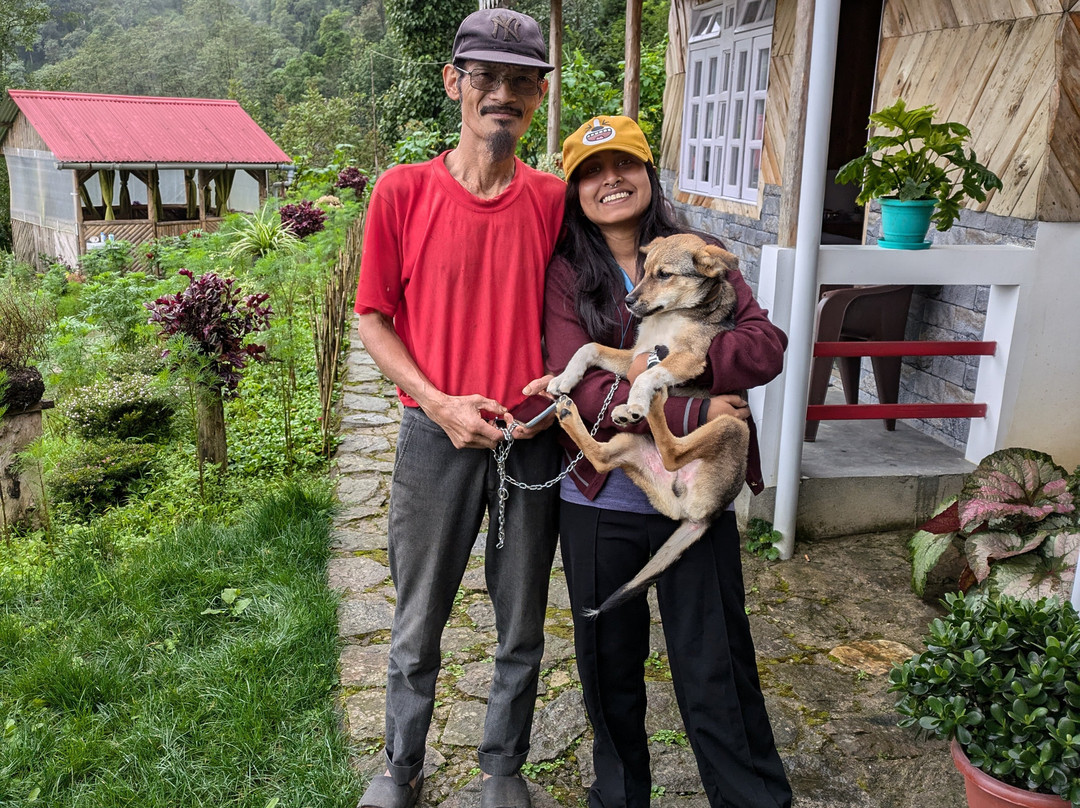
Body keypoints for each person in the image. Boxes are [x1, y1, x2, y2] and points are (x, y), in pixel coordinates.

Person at [529, 116, 793, 808]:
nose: (608, 180)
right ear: (574, 190)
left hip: (697, 491)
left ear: (649, 174)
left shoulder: (701, 254)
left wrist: (695, 364)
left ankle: (753, 799)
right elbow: (581, 387)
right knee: (608, 672)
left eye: (624, 165)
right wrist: (699, 409)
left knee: (717, 669)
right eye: (590, 171)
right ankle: (618, 798)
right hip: (601, 503)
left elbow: (766, 346)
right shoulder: (565, 275)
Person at [353, 10, 565, 808]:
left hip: (528, 442)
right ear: (455, 84)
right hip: (431, 438)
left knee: (521, 622)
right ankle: (400, 767)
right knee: (417, 619)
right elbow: (373, 316)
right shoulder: (403, 191)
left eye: (520, 81)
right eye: (486, 77)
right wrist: (438, 404)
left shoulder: (553, 201)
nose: (502, 94)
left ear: (538, 96)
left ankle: (501, 768)